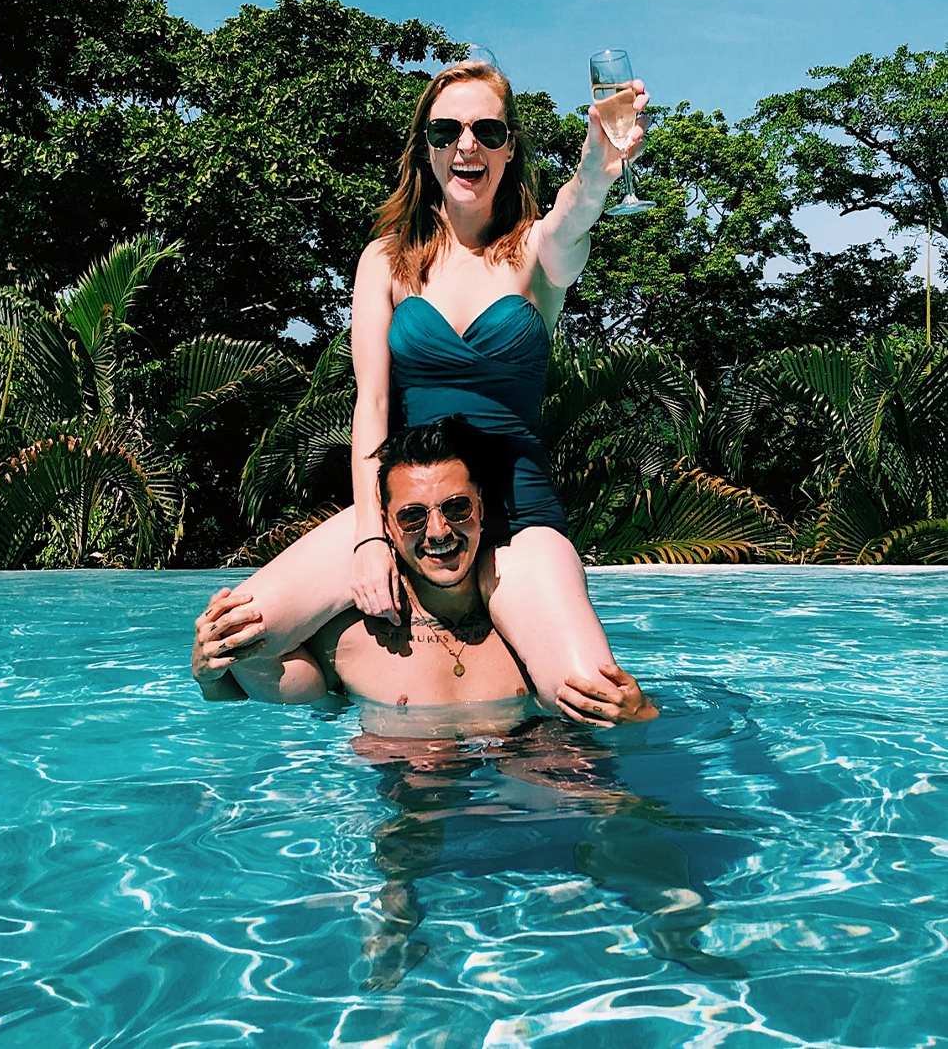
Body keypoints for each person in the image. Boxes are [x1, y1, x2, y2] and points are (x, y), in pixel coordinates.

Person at [203, 58, 650, 714]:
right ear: (426, 147)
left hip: (519, 513)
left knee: (588, 701)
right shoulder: (385, 259)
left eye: (487, 131)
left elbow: (574, 213)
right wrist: (368, 537)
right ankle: (363, 708)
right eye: (447, 130)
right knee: (239, 638)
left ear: (508, 148)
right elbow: (373, 405)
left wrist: (597, 162)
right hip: (413, 505)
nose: (467, 145)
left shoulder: (535, 251)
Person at [193, 419, 657, 729]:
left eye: (456, 508)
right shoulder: (351, 639)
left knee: (603, 805)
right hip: (409, 798)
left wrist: (641, 714)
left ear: (482, 507)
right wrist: (209, 677)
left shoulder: (529, 630)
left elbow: (625, 723)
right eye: (413, 517)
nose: (438, 532)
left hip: (530, 771)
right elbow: (257, 694)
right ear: (387, 529)